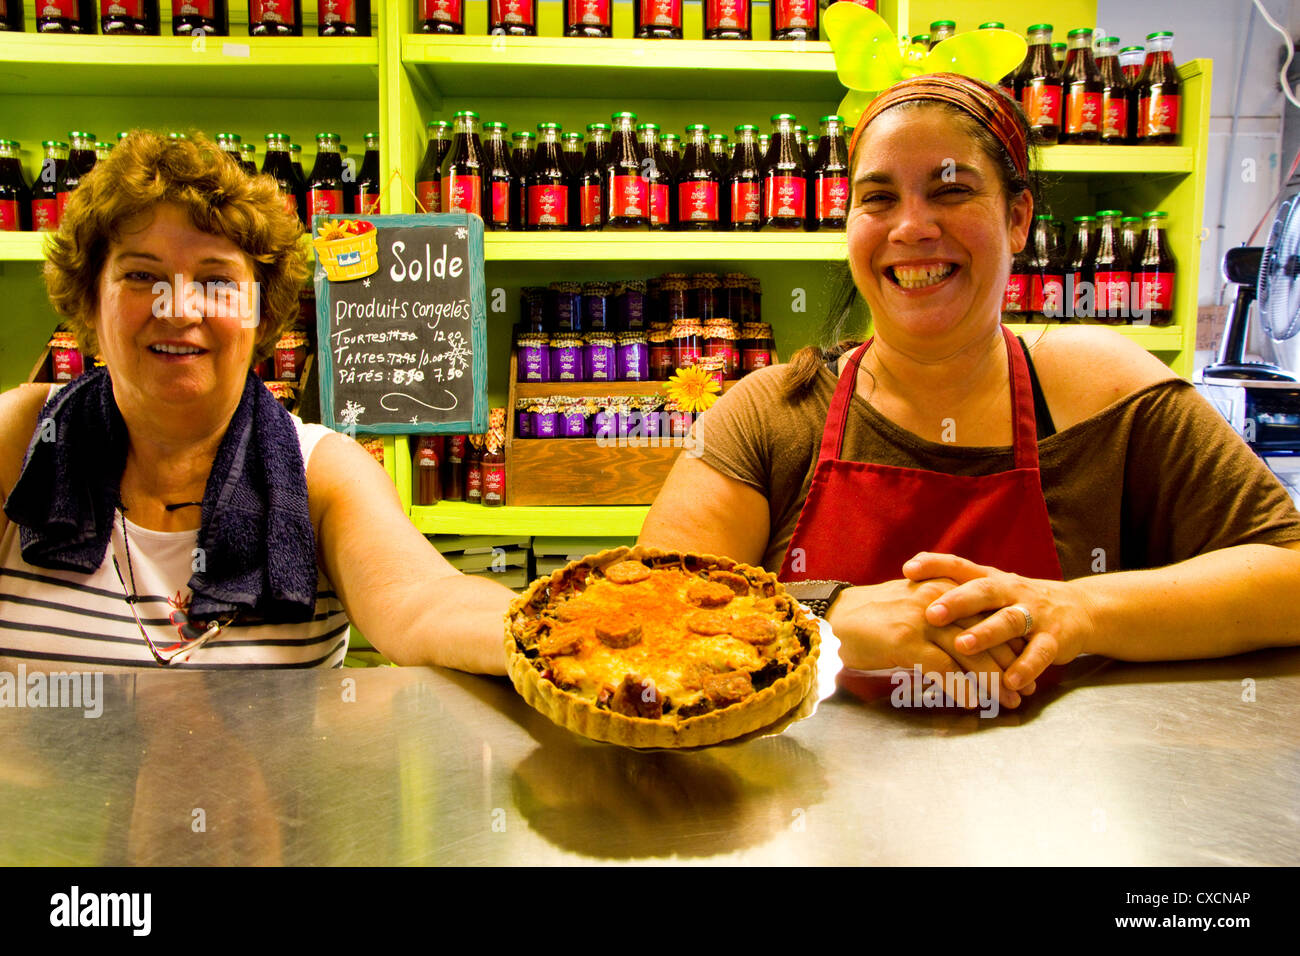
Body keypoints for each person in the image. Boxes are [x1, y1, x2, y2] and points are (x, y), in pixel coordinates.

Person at [639, 74, 1300, 709]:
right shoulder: (768, 412)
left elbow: (1288, 574)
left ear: (1017, 218)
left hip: (1065, 809)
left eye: (950, 191)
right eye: (878, 198)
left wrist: (1074, 609)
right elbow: (654, 619)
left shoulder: (1101, 390)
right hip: (812, 810)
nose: (911, 227)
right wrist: (820, 616)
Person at [0, 130, 509, 674]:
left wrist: (550, 637)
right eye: (141, 275)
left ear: (262, 315)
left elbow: (422, 602)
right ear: (89, 300)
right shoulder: (20, 436)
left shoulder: (323, 471)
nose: (179, 309)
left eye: (216, 280)